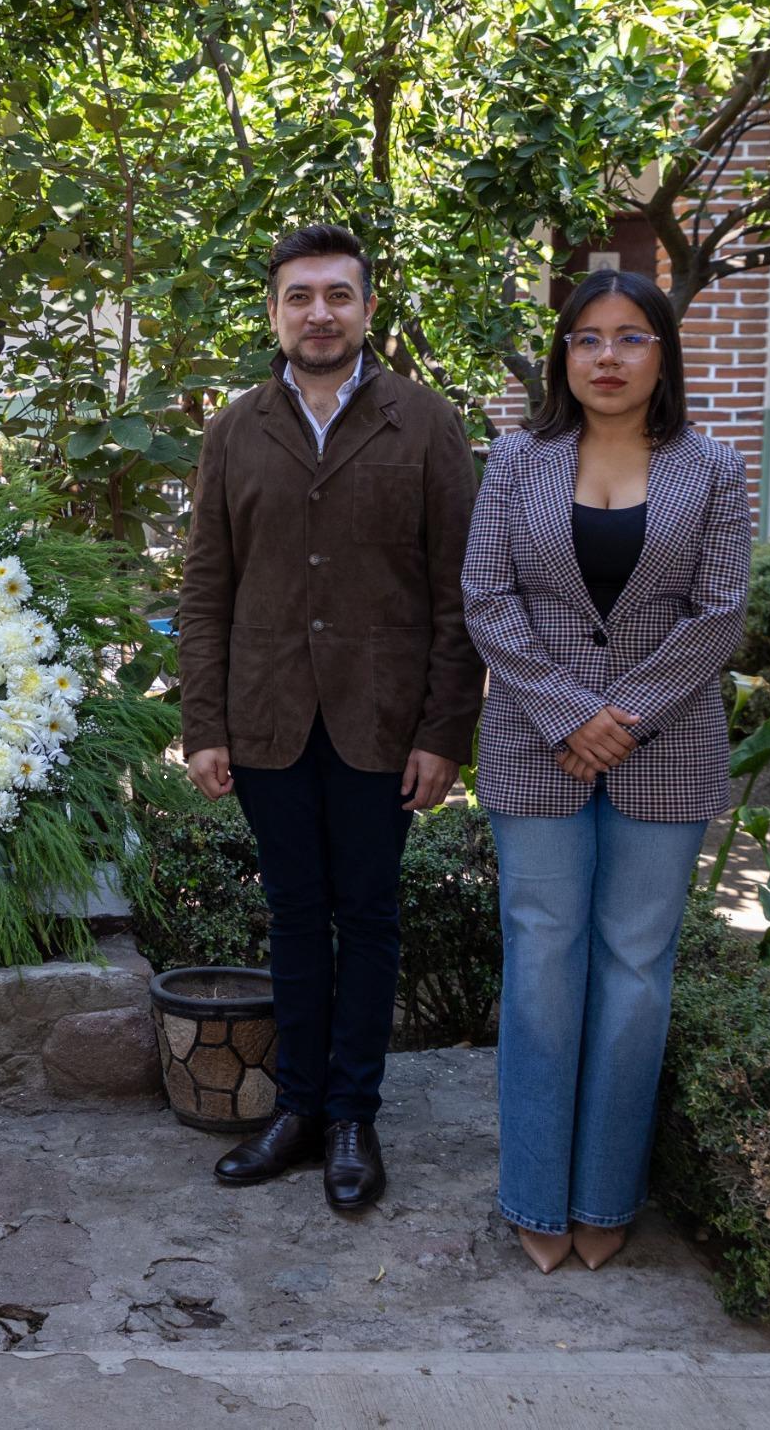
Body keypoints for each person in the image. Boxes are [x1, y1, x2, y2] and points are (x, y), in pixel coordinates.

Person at [178, 223, 484, 1210]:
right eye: (300, 296)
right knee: (294, 914)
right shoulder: (234, 431)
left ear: (367, 308)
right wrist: (203, 722)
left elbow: (460, 593)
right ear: (274, 312)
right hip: (266, 716)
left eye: (338, 295)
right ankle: (297, 1108)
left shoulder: (425, 424)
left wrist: (443, 732)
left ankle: (354, 1114)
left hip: (380, 722)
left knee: (370, 913)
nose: (320, 313)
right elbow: (205, 588)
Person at [462, 268, 752, 1273]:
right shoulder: (516, 458)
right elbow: (486, 595)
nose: (607, 357)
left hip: (664, 748)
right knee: (542, 961)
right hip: (535, 744)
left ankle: (604, 1194)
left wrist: (620, 717)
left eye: (631, 337)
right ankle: (536, 1192)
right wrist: (566, 712)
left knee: (635, 971)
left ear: (663, 353)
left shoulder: (712, 467)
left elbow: (719, 610)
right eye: (586, 338)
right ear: (563, 356)